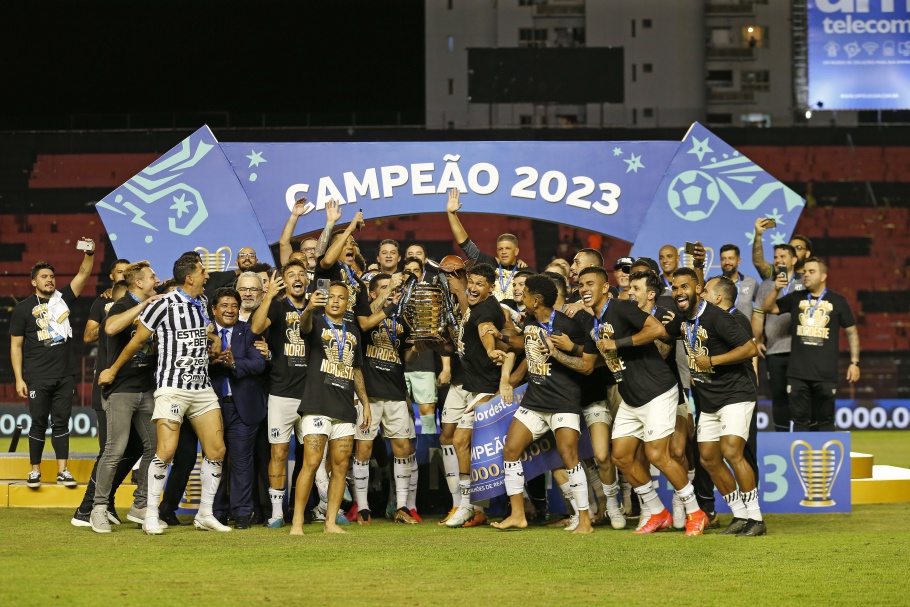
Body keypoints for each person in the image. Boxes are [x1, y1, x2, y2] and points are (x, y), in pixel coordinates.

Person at [99, 254, 230, 535]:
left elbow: (204, 331)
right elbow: (138, 341)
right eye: (203, 272)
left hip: (202, 388)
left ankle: (205, 513)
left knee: (217, 450)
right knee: (166, 451)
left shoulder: (203, 302)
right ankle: (150, 514)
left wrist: (214, 340)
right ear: (190, 277)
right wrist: (113, 369)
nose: (208, 276)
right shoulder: (162, 304)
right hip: (172, 388)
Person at [595, 265, 709, 536]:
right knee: (621, 456)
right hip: (631, 396)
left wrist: (618, 344)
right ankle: (657, 511)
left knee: (659, 453)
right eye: (629, 288)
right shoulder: (608, 316)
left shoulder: (637, 313)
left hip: (659, 391)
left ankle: (695, 511)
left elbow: (658, 331)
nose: (630, 293)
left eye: (636, 289)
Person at [491, 275, 597, 534]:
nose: (522, 296)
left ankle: (584, 520)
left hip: (562, 402)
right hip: (535, 401)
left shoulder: (568, 326)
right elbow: (522, 341)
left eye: (525, 293)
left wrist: (558, 352)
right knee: (511, 450)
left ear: (536, 300)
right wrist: (501, 336)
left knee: (569, 456)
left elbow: (587, 366)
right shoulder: (529, 320)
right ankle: (518, 515)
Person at [669, 268, 764, 536]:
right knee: (709, 459)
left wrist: (712, 361)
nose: (679, 293)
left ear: (697, 290)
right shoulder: (684, 320)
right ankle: (739, 515)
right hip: (710, 399)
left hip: (736, 394)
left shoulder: (717, 317)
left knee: (732, 451)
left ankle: (756, 518)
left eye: (685, 287)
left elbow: (749, 348)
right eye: (675, 288)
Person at [10, 238, 97, 488]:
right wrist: (19, 378)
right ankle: (34, 471)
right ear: (34, 282)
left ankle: (63, 471)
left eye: (52, 276)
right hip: (37, 375)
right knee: (38, 422)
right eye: (44, 277)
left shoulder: (63, 299)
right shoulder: (23, 309)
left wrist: (89, 254)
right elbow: (16, 345)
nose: (49, 280)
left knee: (61, 422)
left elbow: (83, 273)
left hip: (64, 374)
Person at [289, 282, 370, 535]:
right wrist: (308, 309)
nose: (335, 301)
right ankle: (297, 523)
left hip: (344, 406)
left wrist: (365, 404)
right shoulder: (314, 321)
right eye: (331, 297)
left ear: (348, 303)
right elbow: (303, 328)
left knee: (341, 466)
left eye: (341, 298)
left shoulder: (354, 331)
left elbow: (356, 371)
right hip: (317, 404)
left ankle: (331, 522)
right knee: (311, 463)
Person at [88, 262, 162, 533]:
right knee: (114, 450)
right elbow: (110, 329)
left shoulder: (155, 303)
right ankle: (98, 508)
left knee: (155, 449)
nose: (156, 279)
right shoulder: (120, 305)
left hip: (146, 388)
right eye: (151, 276)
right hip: (120, 389)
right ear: (139, 283)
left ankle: (140, 505)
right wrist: (143, 306)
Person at [438, 263, 507, 528]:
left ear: (491, 287)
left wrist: (491, 350)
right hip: (469, 384)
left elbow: (486, 329)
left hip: (485, 388)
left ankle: (468, 506)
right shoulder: (473, 306)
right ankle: (467, 505)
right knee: (457, 440)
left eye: (481, 284)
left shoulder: (488, 310)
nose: (474, 288)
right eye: (472, 282)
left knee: (461, 439)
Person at [762, 258, 860, 431]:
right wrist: (777, 288)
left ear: (823, 276)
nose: (806, 275)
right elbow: (768, 308)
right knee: (800, 422)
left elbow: (852, 332)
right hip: (798, 373)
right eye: (805, 271)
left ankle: (826, 458)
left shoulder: (838, 301)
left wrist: (854, 363)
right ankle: (800, 458)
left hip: (825, 373)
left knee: (826, 421)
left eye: (811, 272)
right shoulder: (795, 298)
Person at [352, 274, 420, 525]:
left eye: (392, 289)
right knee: (363, 449)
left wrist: (416, 349)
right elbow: (365, 325)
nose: (390, 292)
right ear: (372, 293)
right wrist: (388, 302)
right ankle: (363, 508)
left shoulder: (402, 318)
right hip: (368, 393)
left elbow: (406, 358)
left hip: (395, 391)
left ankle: (402, 506)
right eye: (383, 288)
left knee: (403, 448)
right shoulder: (365, 310)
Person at [251, 260, 311, 528]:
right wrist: (269, 296)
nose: (297, 278)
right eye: (291, 275)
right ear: (284, 280)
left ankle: (319, 507)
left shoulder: (317, 306)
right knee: (279, 453)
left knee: (313, 456)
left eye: (301, 274)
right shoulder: (275, 306)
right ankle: (277, 512)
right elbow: (256, 327)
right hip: (281, 393)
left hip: (312, 393)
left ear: (307, 280)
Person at [209, 288, 268, 529]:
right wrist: (211, 360)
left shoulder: (248, 331)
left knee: (242, 462)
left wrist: (233, 364)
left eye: (234, 305)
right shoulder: (204, 332)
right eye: (224, 305)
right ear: (214, 309)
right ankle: (215, 511)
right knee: (214, 460)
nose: (230, 310)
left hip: (243, 408)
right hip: (210, 408)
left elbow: (258, 363)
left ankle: (242, 512)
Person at [752, 244, 805, 432]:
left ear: (793, 260)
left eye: (783, 256)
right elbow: (758, 314)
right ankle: (782, 434)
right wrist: (758, 340)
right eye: (775, 257)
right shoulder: (767, 285)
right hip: (774, 349)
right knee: (779, 396)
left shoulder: (804, 282)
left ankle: (801, 434)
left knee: (800, 394)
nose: (778, 260)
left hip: (800, 350)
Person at [446, 188, 523, 302]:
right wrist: (452, 214)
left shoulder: (525, 271)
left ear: (516, 251)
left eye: (508, 248)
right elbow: (464, 243)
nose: (503, 252)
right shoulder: (488, 263)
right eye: (500, 249)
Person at [401, 256, 442, 435]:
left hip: (424, 363)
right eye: (407, 271)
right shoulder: (393, 298)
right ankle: (405, 459)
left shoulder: (431, 297)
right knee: (401, 414)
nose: (411, 274)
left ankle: (429, 460)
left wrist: (446, 367)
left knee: (428, 413)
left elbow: (442, 334)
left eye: (415, 271)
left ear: (422, 274)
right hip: (398, 365)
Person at [718, 244, 758, 320]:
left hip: (745, 331)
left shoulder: (751, 283)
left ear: (738, 260)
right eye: (723, 259)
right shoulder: (715, 284)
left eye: (730, 258)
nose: (727, 262)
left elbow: (760, 307)